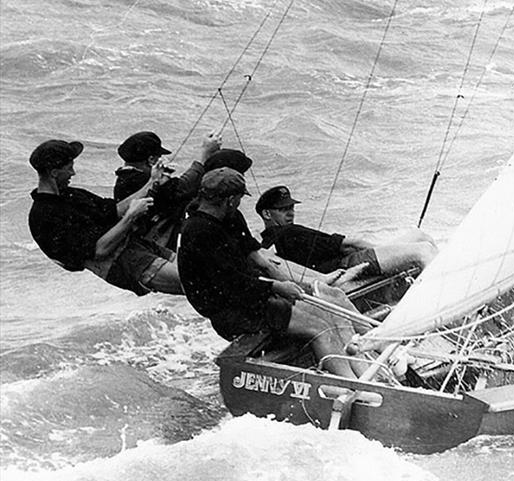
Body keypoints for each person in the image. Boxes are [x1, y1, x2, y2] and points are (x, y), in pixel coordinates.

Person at [177, 168, 371, 378]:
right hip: (231, 310)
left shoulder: (229, 217)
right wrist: (276, 287)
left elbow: (258, 260)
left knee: (330, 312)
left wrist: (293, 284)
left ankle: (368, 369)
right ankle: (354, 384)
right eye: (240, 199)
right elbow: (230, 284)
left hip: (252, 296)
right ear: (231, 200)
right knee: (320, 327)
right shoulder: (199, 231)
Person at [28, 139, 183, 295]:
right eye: (69, 168)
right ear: (54, 172)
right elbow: (99, 251)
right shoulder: (44, 216)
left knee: (202, 272)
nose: (73, 173)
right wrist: (131, 216)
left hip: (139, 245)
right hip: (122, 263)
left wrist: (153, 181)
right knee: (198, 282)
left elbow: (115, 210)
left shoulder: (71, 194)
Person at [255, 185, 437, 278]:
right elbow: (352, 243)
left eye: (292, 208)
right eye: (284, 209)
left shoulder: (266, 245)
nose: (291, 213)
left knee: (419, 236)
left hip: (338, 265)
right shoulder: (290, 232)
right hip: (347, 265)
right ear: (266, 213)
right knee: (424, 248)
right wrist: (385, 251)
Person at [113, 131, 222, 250]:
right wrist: (205, 154)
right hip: (150, 246)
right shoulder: (141, 180)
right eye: (158, 157)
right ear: (151, 160)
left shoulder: (126, 177)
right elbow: (183, 188)